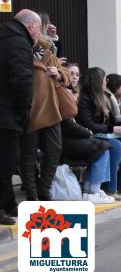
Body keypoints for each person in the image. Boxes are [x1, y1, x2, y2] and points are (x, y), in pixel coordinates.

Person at [19, 18, 70, 201]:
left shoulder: (47, 50)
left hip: (51, 109)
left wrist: (59, 74)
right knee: (28, 155)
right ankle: (33, 196)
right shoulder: (19, 51)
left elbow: (66, 74)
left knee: (55, 150)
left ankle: (44, 189)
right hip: (30, 110)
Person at [77, 68, 121, 200]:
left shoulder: (104, 96)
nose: (106, 81)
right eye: (103, 78)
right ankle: (109, 188)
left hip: (105, 133)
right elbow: (89, 124)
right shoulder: (84, 99)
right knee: (115, 146)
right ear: (97, 81)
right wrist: (113, 130)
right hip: (92, 134)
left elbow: (111, 119)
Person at [0, 9, 39, 224]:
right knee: (5, 163)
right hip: (8, 113)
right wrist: (23, 110)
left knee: (6, 162)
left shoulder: (5, 38)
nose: (38, 34)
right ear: (31, 26)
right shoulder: (19, 43)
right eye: (38, 29)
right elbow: (22, 81)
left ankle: (8, 204)